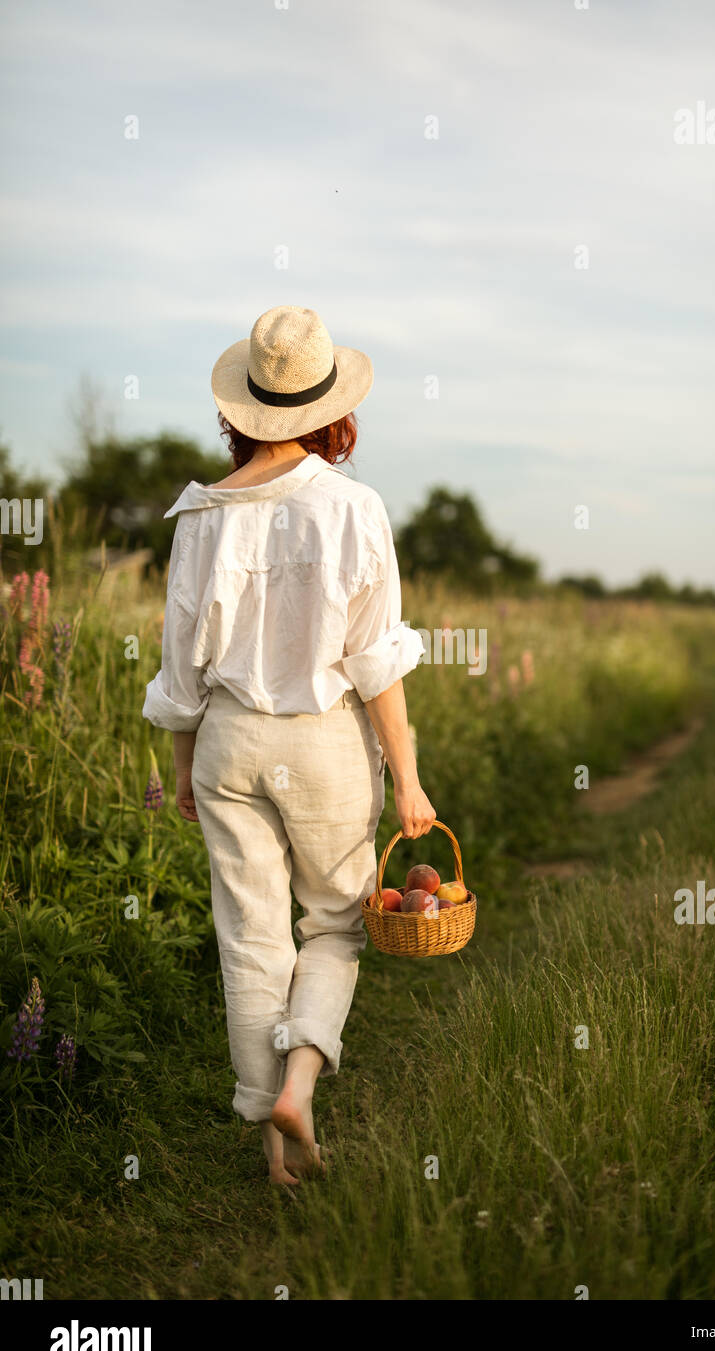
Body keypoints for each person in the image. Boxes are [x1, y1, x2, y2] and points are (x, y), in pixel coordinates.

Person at [143, 305, 435, 1186]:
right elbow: (375, 663)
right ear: (332, 411)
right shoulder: (353, 508)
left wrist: (187, 768)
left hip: (228, 739)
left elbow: (181, 663)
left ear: (243, 410)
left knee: (251, 938)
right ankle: (298, 1088)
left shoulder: (198, 516)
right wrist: (412, 781)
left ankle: (271, 1145)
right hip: (322, 746)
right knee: (337, 928)